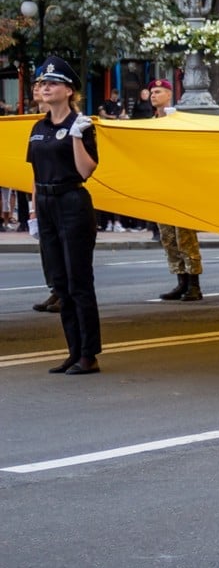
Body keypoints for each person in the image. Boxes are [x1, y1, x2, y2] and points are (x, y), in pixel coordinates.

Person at [27, 56, 103, 375]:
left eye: (52, 83)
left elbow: (86, 170)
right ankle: (73, 350)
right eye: (42, 83)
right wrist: (33, 212)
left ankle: (89, 354)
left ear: (69, 90)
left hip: (72, 202)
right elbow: (34, 172)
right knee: (59, 283)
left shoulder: (80, 125)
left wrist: (74, 136)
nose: (45, 87)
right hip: (45, 204)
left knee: (78, 281)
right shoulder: (38, 127)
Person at [147, 79, 206, 301]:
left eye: (158, 91)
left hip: (181, 186)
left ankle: (194, 283)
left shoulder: (178, 120)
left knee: (185, 236)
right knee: (168, 237)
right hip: (161, 186)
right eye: (152, 91)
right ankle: (180, 280)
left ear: (169, 94)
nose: (154, 95)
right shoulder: (149, 123)